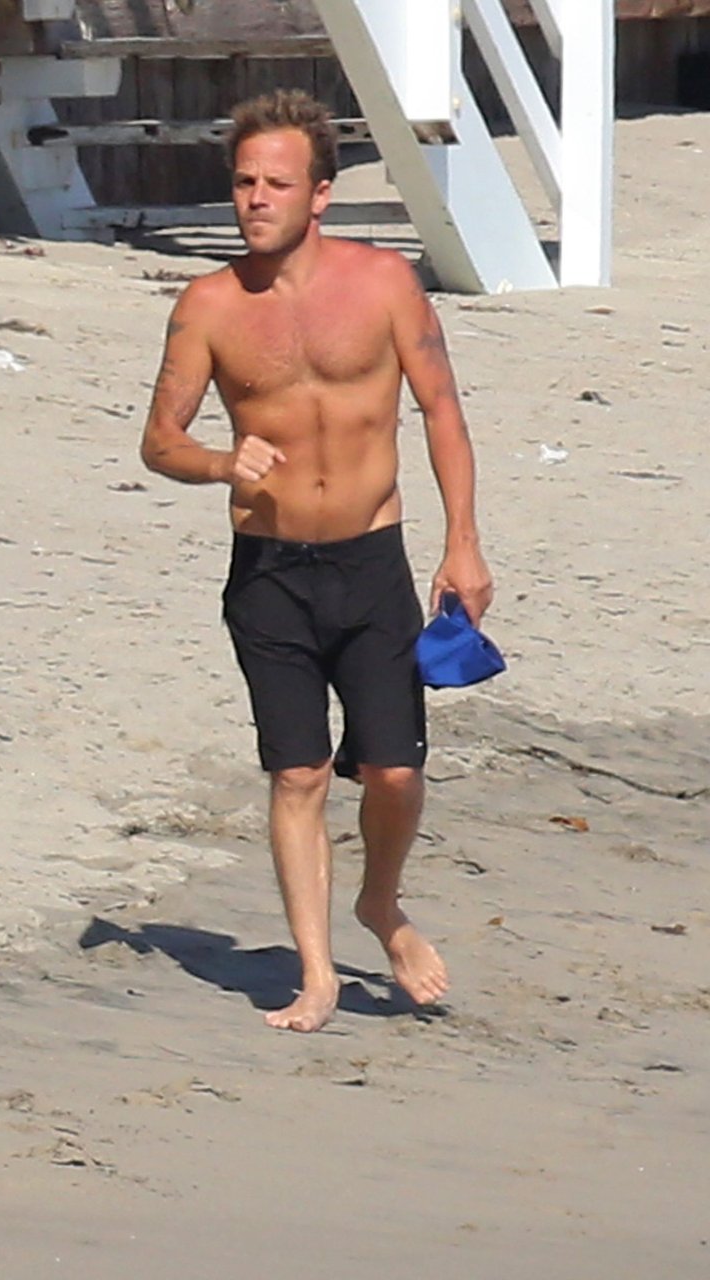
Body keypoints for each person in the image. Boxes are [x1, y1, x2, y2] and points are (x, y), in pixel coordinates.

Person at [138, 90, 492, 1033]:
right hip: (270, 574)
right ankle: (318, 973)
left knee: (394, 773)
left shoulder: (384, 285)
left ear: (321, 194)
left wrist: (462, 542)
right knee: (297, 774)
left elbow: (442, 411)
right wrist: (221, 462)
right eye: (244, 182)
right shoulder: (209, 306)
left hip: (372, 564)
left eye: (277, 183)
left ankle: (381, 902)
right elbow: (159, 441)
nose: (256, 199)